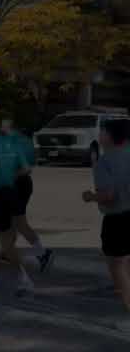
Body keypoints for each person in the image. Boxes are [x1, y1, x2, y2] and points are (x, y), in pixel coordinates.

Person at [82, 119, 130, 332]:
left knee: (117, 264)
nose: (99, 136)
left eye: (102, 132)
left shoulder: (104, 161)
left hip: (118, 218)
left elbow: (108, 196)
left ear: (110, 136)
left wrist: (90, 196)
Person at [3, 120, 54, 272]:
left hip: (20, 186)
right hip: (19, 186)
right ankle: (8, 251)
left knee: (19, 222)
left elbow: (26, 169)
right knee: (11, 220)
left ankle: (43, 252)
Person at [0, 121, 33, 295]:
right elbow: (25, 168)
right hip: (10, 193)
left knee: (0, 239)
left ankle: (21, 277)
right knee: (4, 238)